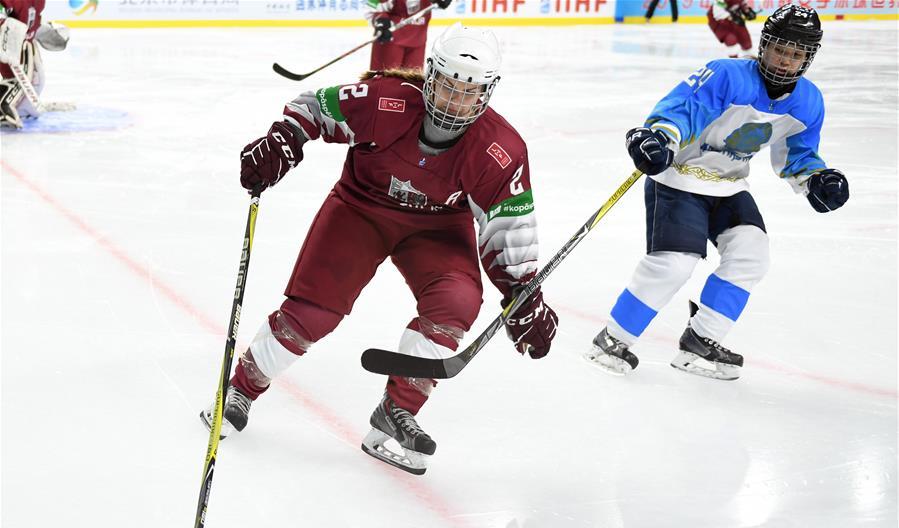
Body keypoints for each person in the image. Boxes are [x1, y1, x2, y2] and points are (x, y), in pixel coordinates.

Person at [201, 23, 558, 475]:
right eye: (449, 87)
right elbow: (313, 106)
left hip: (437, 229)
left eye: (469, 93)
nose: (455, 102)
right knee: (312, 313)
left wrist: (523, 293)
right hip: (359, 211)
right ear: (430, 75)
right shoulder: (385, 100)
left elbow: (510, 230)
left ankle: (395, 412)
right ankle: (241, 389)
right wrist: (285, 138)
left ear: (488, 93)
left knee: (457, 301)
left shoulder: (499, 149)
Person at [585, 5, 849, 381]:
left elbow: (799, 154)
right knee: (675, 264)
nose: (785, 61)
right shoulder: (727, 75)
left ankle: (701, 340)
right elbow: (685, 110)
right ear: (765, 44)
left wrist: (816, 179)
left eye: (796, 54)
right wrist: (660, 137)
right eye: (780, 49)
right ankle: (612, 340)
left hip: (728, 186)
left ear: (808, 58)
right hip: (678, 179)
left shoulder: (808, 101)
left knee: (752, 255)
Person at [0, 0, 70, 129]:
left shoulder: (38, 2)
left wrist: (43, 30)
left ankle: (14, 104)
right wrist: (4, 27)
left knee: (35, 87)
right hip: (6, 47)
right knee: (22, 86)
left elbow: (30, 22)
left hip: (19, 49)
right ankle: (2, 106)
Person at [368, 0, 451, 72]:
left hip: (418, 40)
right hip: (390, 39)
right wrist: (380, 21)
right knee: (383, 84)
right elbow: (373, 6)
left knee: (411, 85)